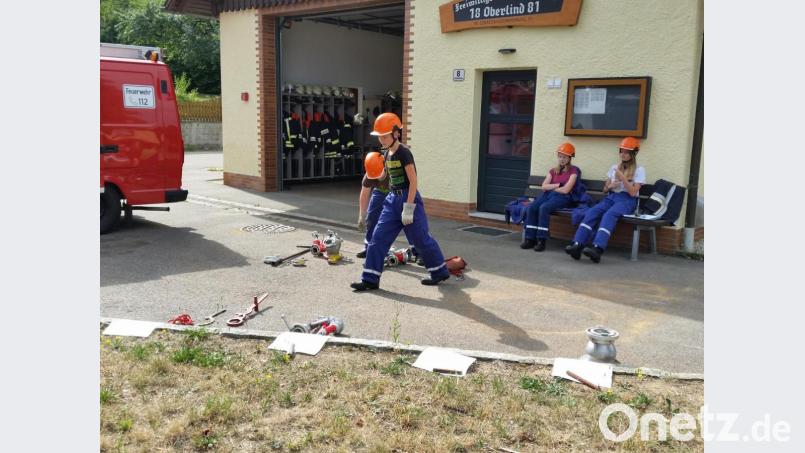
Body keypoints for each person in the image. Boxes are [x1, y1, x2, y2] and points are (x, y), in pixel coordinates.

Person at [350, 113, 450, 291]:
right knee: (377, 239)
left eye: (384, 135)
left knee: (421, 240)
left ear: (396, 133)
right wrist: (373, 176)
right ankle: (370, 279)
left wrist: (409, 208)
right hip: (391, 200)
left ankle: (439, 271)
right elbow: (385, 176)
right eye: (379, 136)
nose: (381, 139)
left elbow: (413, 181)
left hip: (407, 198)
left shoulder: (404, 153)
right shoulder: (386, 153)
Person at [565, 137, 646, 263]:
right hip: (612, 196)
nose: (623, 154)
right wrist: (610, 186)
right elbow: (604, 189)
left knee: (609, 215)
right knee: (592, 212)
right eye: (621, 151)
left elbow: (634, 192)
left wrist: (623, 178)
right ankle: (577, 244)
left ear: (633, 153)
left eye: (626, 152)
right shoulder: (615, 167)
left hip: (627, 200)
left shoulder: (639, 170)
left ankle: (597, 248)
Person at [357, 152, 417, 261]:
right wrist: (361, 215)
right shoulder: (370, 173)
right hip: (380, 192)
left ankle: (418, 252)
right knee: (371, 218)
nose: (377, 178)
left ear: (384, 165)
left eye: (379, 174)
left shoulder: (395, 170)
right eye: (374, 176)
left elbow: (411, 185)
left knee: (408, 221)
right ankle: (369, 248)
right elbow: (364, 193)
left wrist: (408, 209)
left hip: (400, 193)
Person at [520, 142, 579, 252]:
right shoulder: (553, 171)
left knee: (544, 208)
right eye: (560, 156)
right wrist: (557, 185)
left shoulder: (574, 171)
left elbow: (566, 190)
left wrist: (552, 188)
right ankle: (530, 239)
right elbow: (544, 186)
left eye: (565, 157)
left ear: (570, 158)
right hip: (547, 195)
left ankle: (541, 240)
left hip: (563, 197)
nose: (562, 159)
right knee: (532, 207)